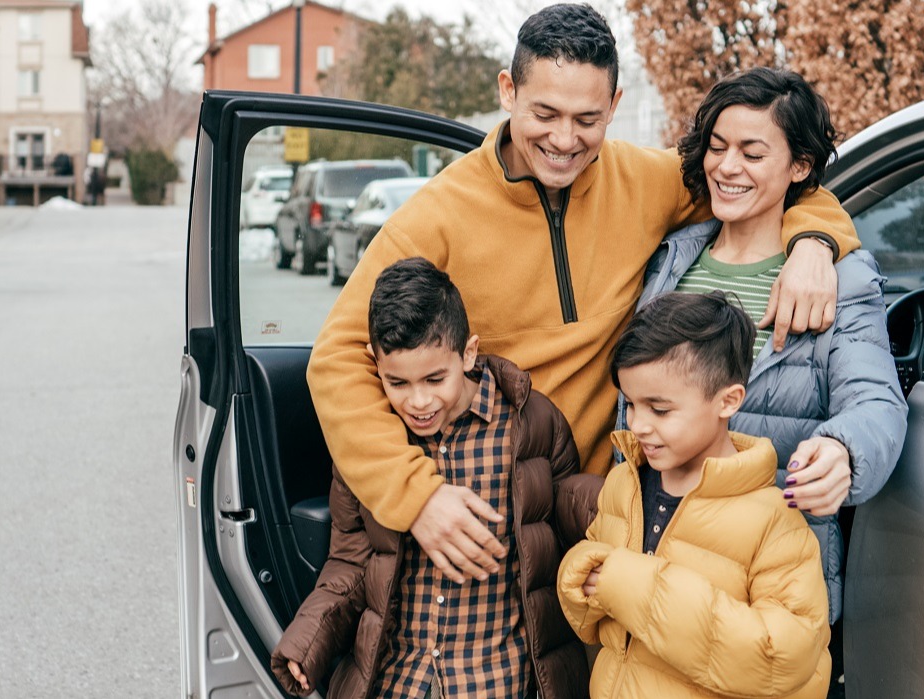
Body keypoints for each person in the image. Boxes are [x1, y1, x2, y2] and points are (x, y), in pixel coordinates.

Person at [307, 2, 859, 586]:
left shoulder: (648, 181)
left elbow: (770, 185)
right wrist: (416, 496)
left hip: (614, 512)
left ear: (615, 107)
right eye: (545, 113)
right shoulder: (435, 217)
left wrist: (815, 243)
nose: (565, 140)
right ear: (508, 92)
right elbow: (337, 358)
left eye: (588, 119)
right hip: (492, 516)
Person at [635, 68, 906, 629]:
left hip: (766, 589)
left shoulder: (840, 276)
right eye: (717, 147)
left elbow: (877, 403)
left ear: (799, 166)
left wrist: (842, 452)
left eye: (753, 154)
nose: (727, 167)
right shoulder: (669, 259)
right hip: (653, 562)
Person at [272, 258, 600, 699]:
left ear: (468, 352)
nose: (419, 401)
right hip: (397, 682)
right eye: (398, 383)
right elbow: (350, 562)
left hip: (496, 682)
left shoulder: (530, 425)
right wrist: (308, 642)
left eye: (434, 378)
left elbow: (561, 526)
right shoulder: (372, 440)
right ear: (375, 365)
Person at [559, 291, 831, 699]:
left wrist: (630, 584)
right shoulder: (624, 482)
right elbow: (590, 612)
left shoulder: (772, 519)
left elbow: (783, 657)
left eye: (660, 409)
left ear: (728, 401)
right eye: (630, 404)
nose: (638, 425)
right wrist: (577, 576)